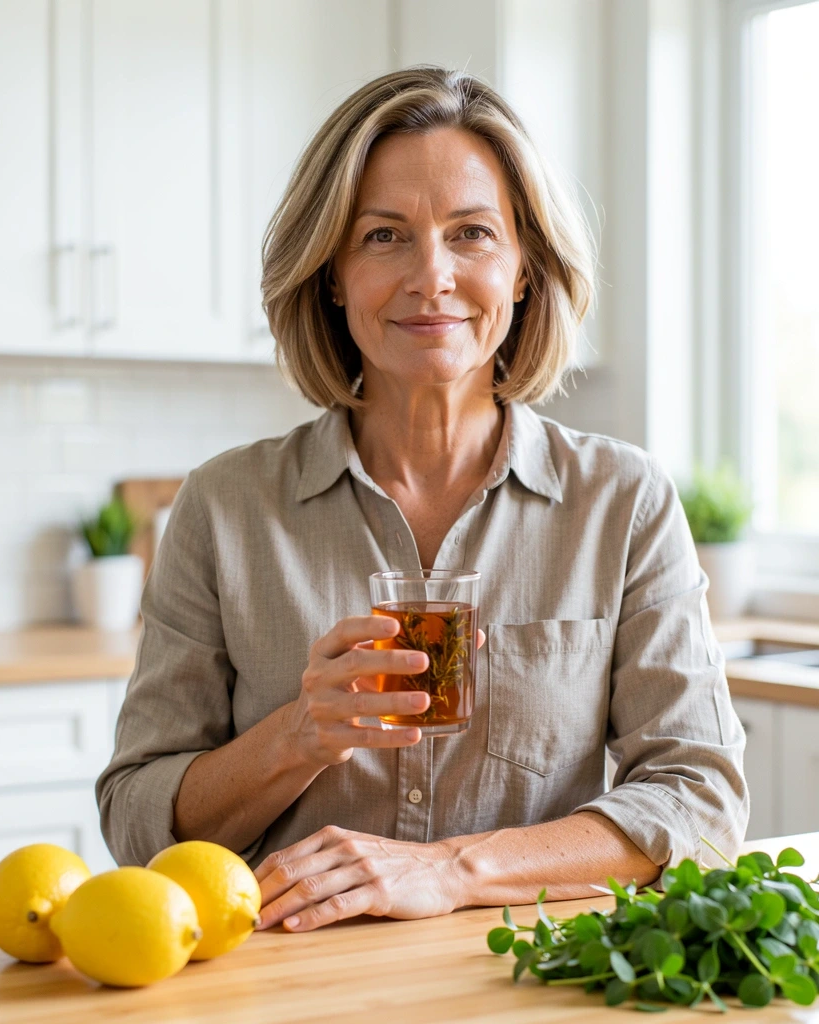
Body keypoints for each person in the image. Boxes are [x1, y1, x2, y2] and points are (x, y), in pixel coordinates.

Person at [97, 66, 748, 933]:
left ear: (524, 271)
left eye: (472, 233)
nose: (431, 276)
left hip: (529, 982)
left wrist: (450, 870)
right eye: (383, 236)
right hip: (292, 987)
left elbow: (702, 803)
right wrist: (300, 734)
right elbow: (137, 821)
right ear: (332, 274)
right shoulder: (224, 507)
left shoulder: (622, 502)